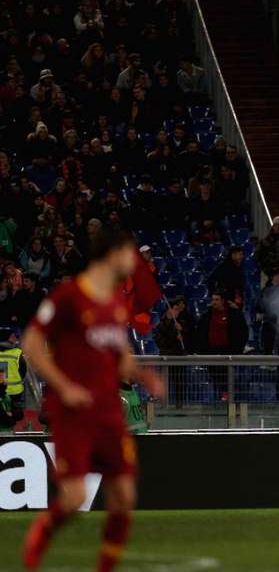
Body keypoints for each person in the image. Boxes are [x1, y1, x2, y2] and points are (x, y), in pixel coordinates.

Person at [21, 229, 164, 571]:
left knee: (123, 497)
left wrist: (143, 376)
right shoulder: (69, 295)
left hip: (108, 414)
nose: (134, 261)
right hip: (74, 414)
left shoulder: (116, 301)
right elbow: (31, 343)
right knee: (75, 498)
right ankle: (37, 540)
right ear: (112, 253)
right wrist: (64, 385)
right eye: (129, 253)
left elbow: (118, 358)